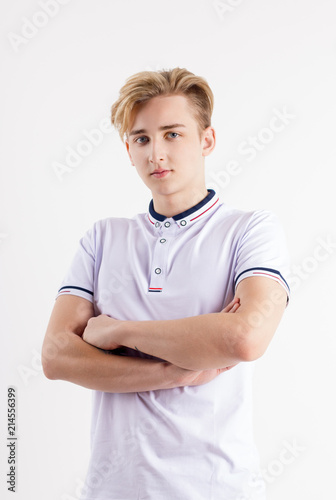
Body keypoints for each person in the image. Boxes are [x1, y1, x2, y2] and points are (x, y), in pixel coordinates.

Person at [42, 67, 290, 500]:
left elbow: (246, 338)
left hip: (217, 489)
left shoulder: (250, 231)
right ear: (129, 149)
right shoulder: (102, 238)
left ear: (206, 140)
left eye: (172, 134)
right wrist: (175, 371)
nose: (156, 152)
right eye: (141, 138)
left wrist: (117, 331)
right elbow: (56, 355)